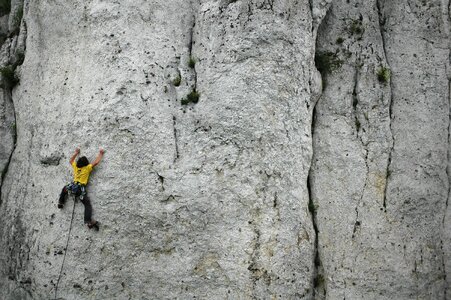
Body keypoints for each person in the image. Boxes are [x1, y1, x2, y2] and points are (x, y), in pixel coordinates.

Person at [58, 147, 104, 230]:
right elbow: (96, 162)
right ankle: (88, 221)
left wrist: (76, 152)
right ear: (86, 163)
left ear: (78, 163)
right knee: (87, 204)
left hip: (72, 187)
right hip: (80, 189)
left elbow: (71, 161)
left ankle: (61, 202)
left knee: (64, 188)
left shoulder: (76, 167)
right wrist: (100, 154)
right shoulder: (87, 168)